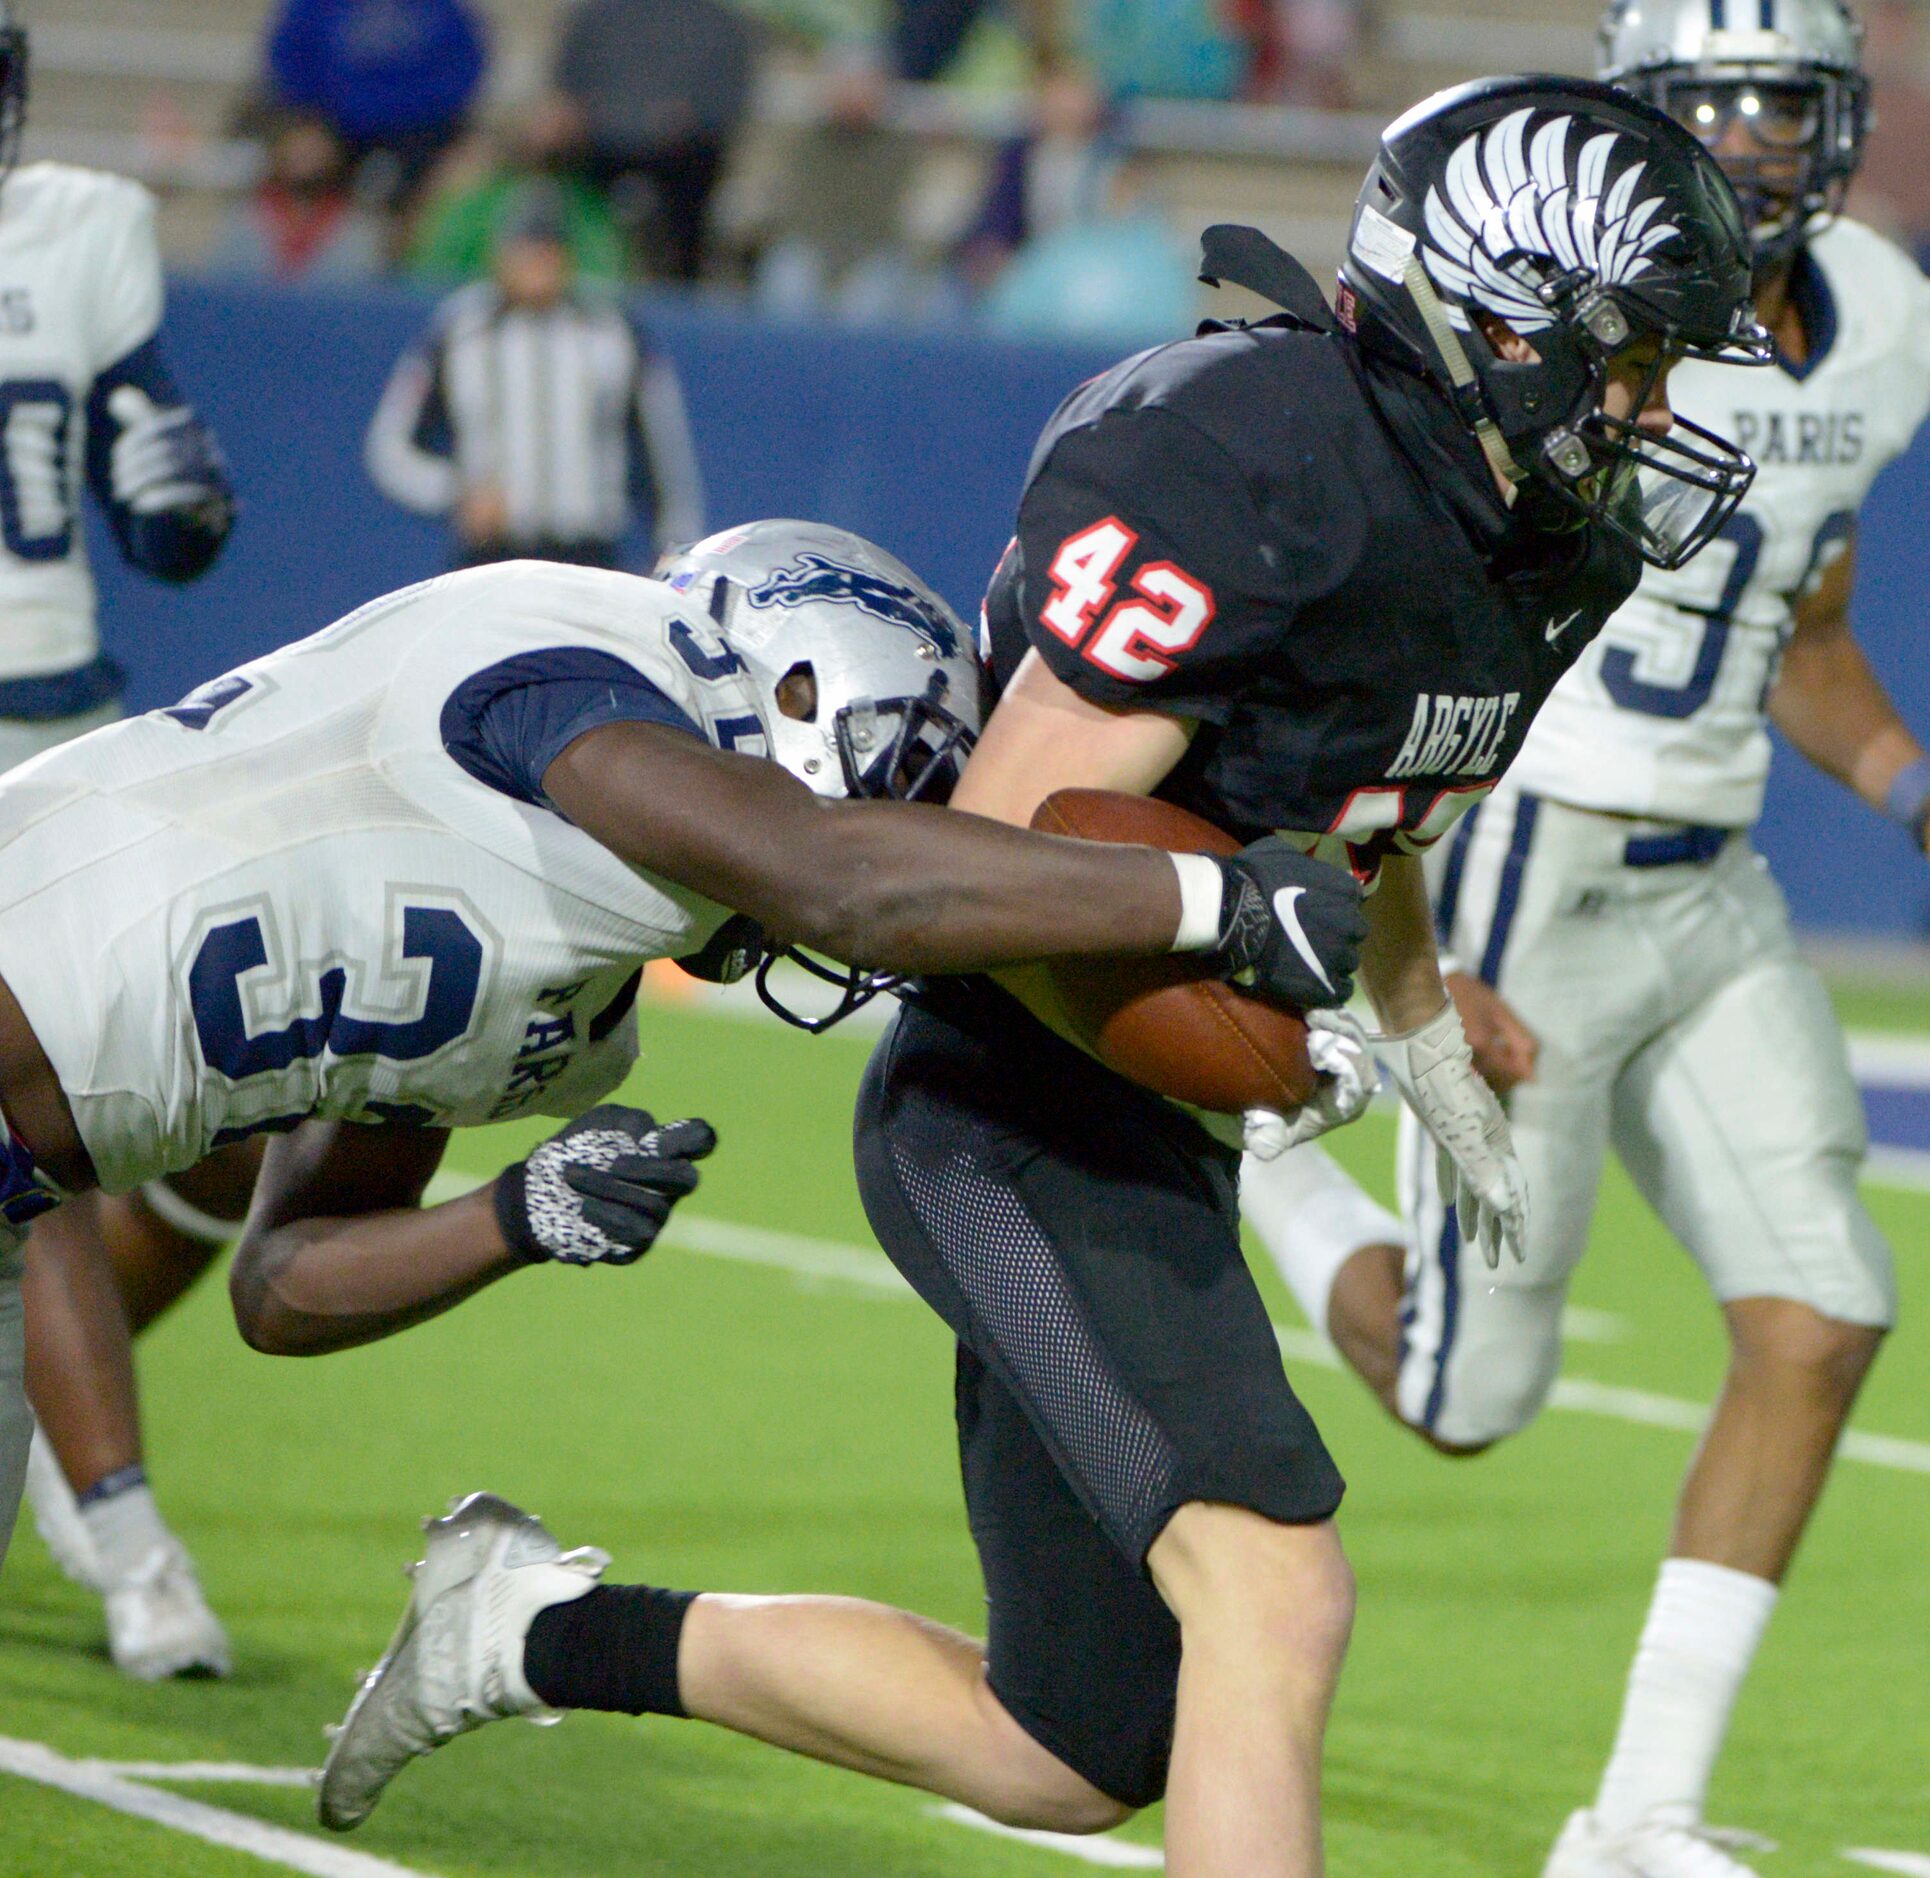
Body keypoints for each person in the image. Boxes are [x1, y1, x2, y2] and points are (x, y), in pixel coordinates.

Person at [314, 78, 1770, 1875]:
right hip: (1008, 1098)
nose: (1655, 408)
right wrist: (1227, 943)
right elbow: (991, 852)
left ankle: (517, 1628)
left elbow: (1385, 810)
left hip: (1150, 1130)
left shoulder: (1545, 540)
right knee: (1274, 1586)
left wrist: (1414, 1031)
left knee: (1069, 1747)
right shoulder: (1252, 461)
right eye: (1630, 357)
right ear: (1495, 314)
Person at [0, 518, 1367, 1601]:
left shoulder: (568, 1017)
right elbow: (834, 879)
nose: (903, 853)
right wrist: (1208, 908)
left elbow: (283, 1285)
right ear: (793, 680)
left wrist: (510, 1215)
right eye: (894, 785)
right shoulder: (568, 662)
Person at [1244, 7, 1930, 1874]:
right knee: (1472, 1398)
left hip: (1711, 881)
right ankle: (1274, 1174)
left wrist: (1914, 786)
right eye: (1715, 104)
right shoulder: (1569, 308)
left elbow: (1803, 627)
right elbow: (1419, 600)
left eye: (1786, 105)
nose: (1758, 143)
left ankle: (1637, 1819)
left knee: (1825, 1316)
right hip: (1520, 865)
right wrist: (1420, 949)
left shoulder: (1879, 311)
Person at [0, 0, 250, 1682]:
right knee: (37, 1148)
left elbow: (162, 508)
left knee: (214, 1128)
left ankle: (48, 1421)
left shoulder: (83, 228)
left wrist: (178, 493)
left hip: (60, 731)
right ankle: (127, 1522)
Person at [366, 183, 702, 568]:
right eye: (524, 247)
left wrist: (675, 553)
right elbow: (390, 447)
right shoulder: (459, 329)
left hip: (588, 553)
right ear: (499, 252)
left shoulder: (614, 330)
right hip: (491, 555)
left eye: (548, 249)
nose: (536, 262)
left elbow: (666, 460)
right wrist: (455, 493)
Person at [551, 0, 754, 283]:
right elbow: (569, 82)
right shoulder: (600, 15)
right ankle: (581, 272)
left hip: (684, 149)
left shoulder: (720, 23)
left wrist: (688, 118)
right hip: (602, 143)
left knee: (695, 175)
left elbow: (728, 98)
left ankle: (683, 286)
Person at [264, 0, 487, 213]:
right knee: (308, 153)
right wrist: (321, 110)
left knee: (450, 170)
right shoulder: (314, 7)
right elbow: (289, 59)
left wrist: (412, 109)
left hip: (420, 128)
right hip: (332, 122)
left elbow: (462, 65)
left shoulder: (438, 9)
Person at [205, 112, 383, 283]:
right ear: (279, 154)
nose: (305, 158)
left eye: (314, 151)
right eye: (298, 150)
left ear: (334, 158)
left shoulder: (358, 228)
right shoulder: (244, 219)